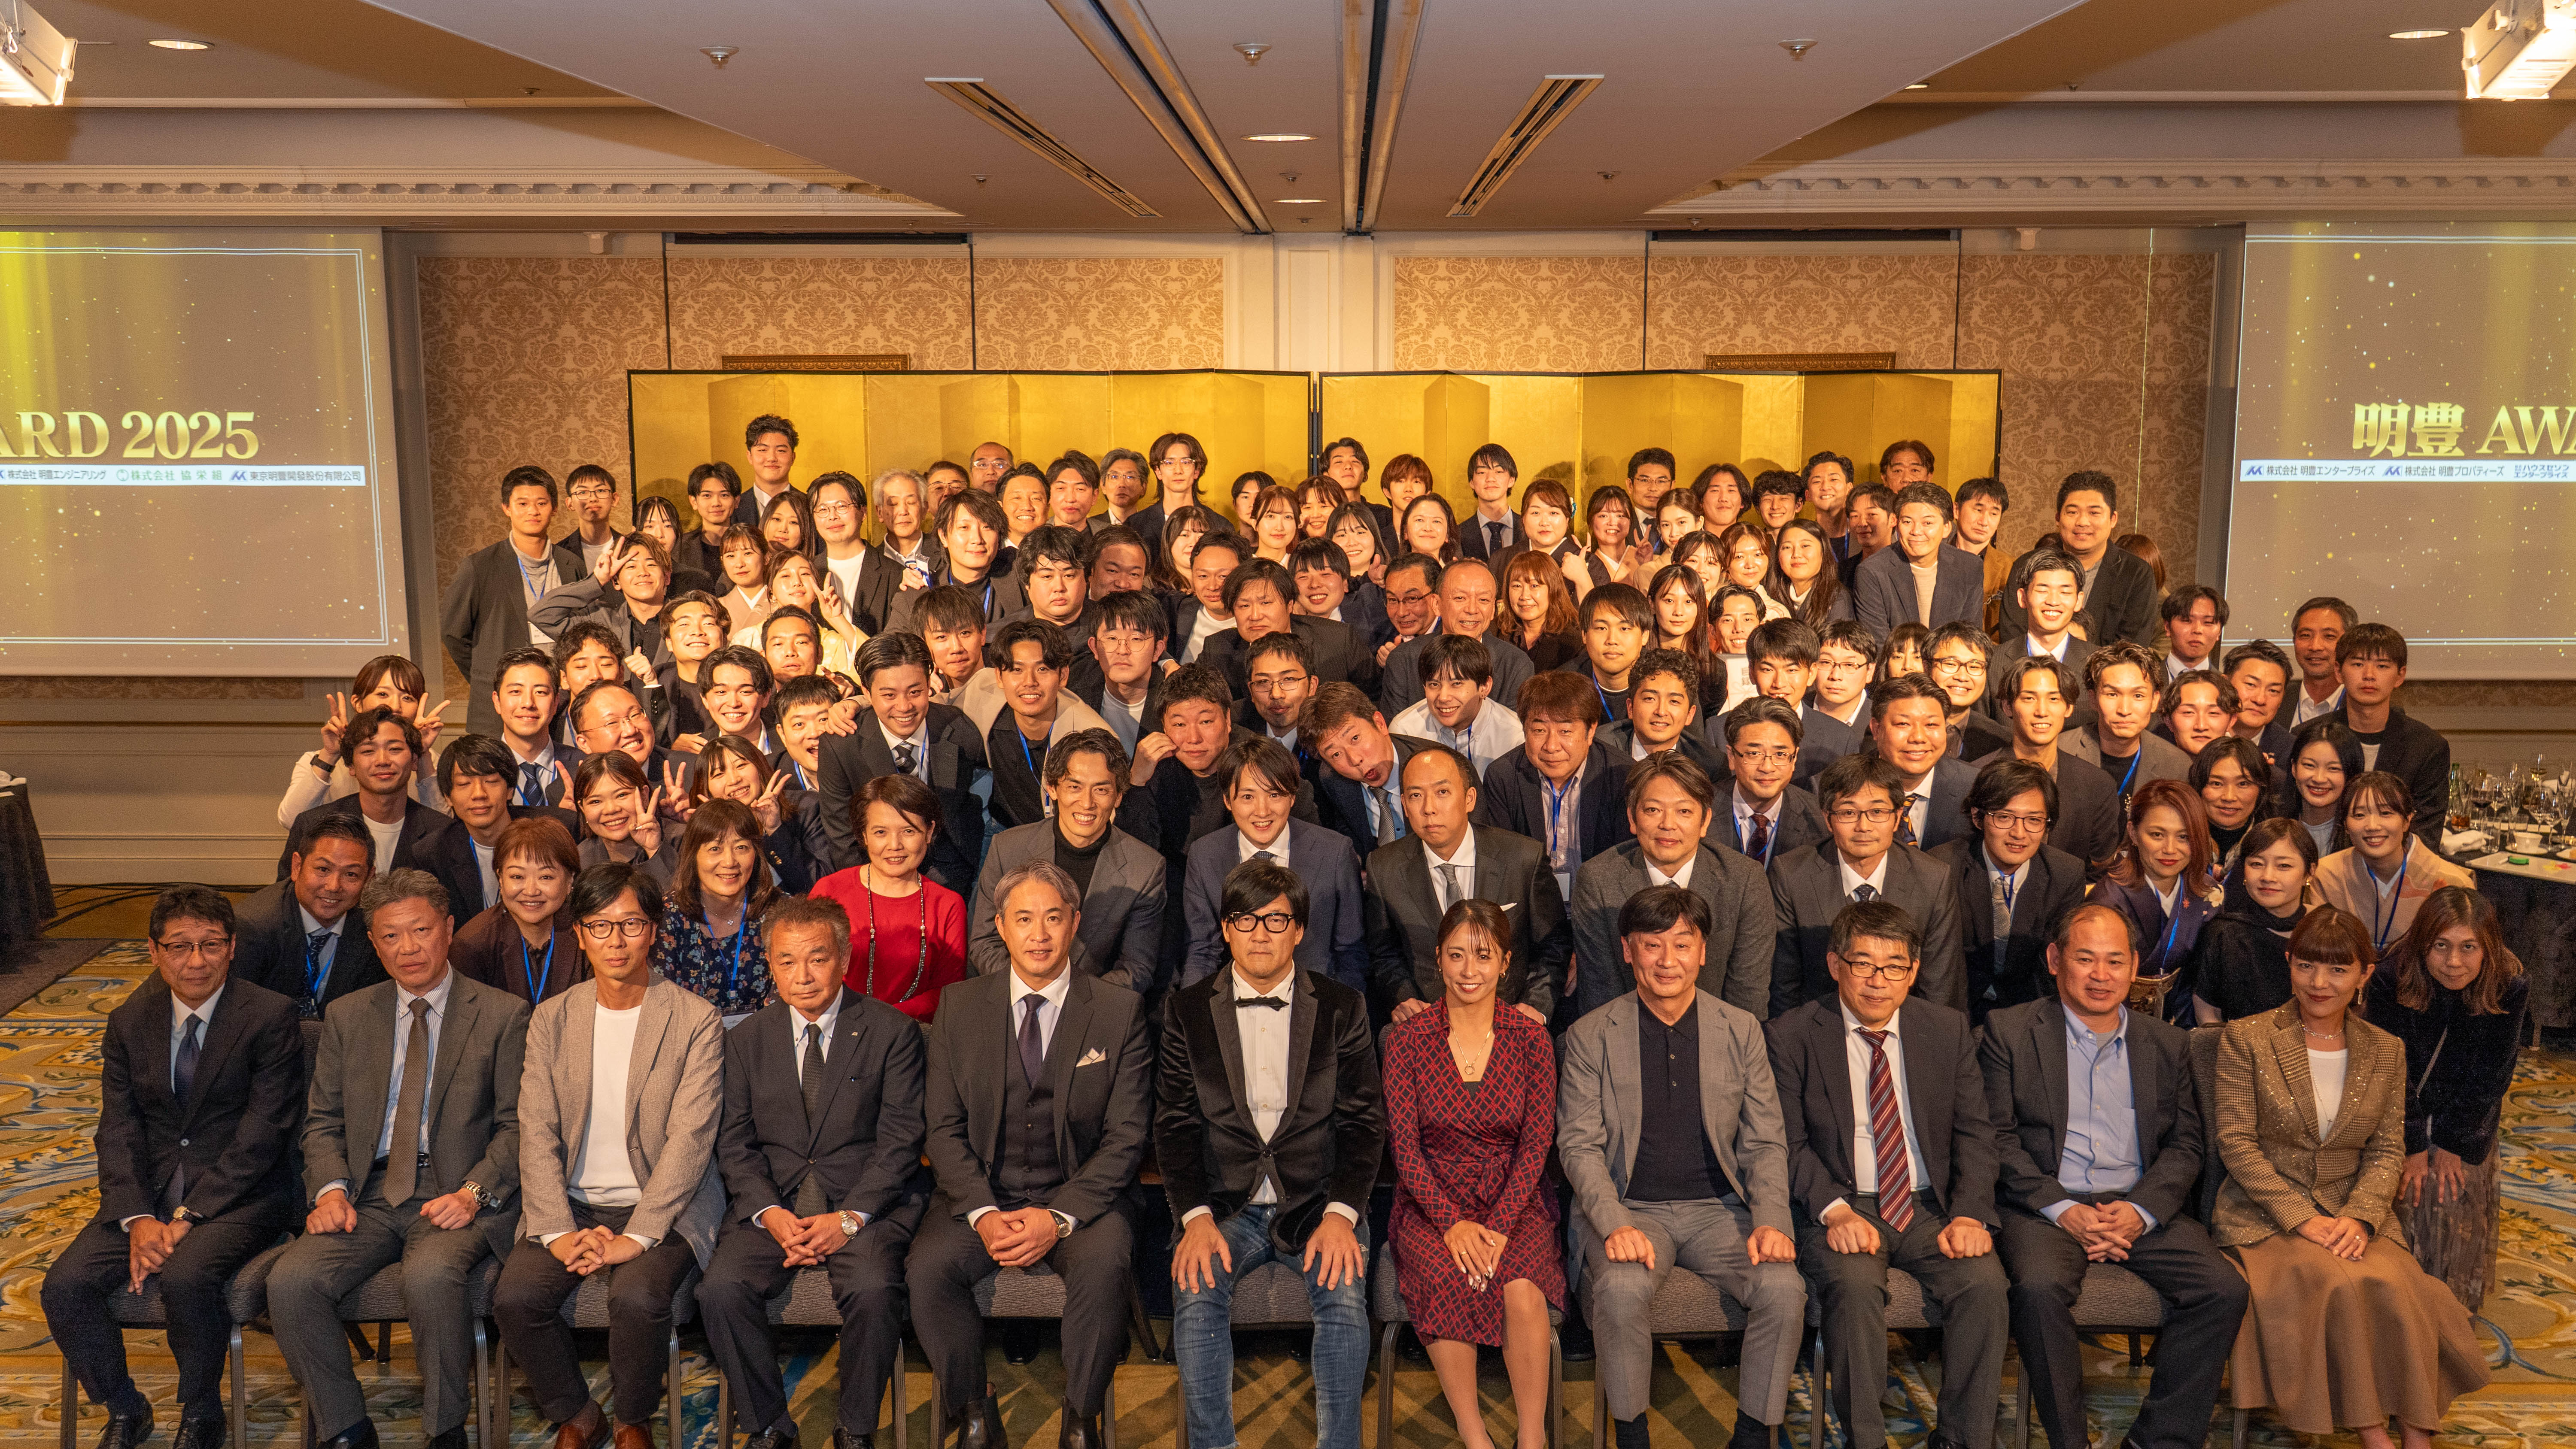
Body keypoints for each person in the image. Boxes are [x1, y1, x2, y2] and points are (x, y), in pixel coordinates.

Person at [2210, 907, 2490, 1447]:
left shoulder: (2385, 1050)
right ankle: (2373, 1434)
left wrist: (2360, 1217)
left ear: (2365, 974)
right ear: (2289, 963)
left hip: (2353, 1212)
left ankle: (2416, 1434)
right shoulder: (2247, 1038)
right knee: (2341, 1284)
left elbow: (2387, 1150)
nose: (2320, 982)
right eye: (2307, 965)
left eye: (2338, 970)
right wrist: (2303, 1219)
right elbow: (2237, 1145)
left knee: (2409, 1289)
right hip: (2265, 1215)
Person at [270, 869, 531, 1449]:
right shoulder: (348, 1015)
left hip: (456, 1192)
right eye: (391, 936)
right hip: (367, 1194)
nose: (408, 948)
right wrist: (330, 1190)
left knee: (431, 1275)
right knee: (291, 1281)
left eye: (421, 930)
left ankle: (445, 1430)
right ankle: (346, 1428)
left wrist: (474, 1194)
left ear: (449, 930)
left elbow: (519, 1126)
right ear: (373, 941)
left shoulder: (503, 1014)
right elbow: (323, 1120)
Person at [1978, 903, 2248, 1449]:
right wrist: (2065, 1210)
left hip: (2137, 1203)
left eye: (2115, 961)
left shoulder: (2167, 1042)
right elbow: (1997, 1139)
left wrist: (2140, 1211)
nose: (2101, 975)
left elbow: (2186, 1145)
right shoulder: (2009, 1031)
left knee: (2223, 1289)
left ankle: (2158, 1440)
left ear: (2134, 968)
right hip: (2046, 1207)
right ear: (2055, 960)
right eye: (2085, 959)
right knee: (2037, 1289)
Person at [43, 887, 303, 1449]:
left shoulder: (270, 1016)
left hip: (242, 1196)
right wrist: (138, 1217)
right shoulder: (129, 1021)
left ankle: (202, 1410)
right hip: (150, 1196)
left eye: (211, 945)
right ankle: (124, 1406)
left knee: (187, 1277)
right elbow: (117, 1129)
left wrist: (189, 1216)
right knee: (65, 1285)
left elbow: (263, 1133)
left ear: (232, 947)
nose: (196, 961)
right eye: (179, 946)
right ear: (154, 951)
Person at [909, 862, 1154, 1449]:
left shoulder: (1118, 1010)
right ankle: (973, 1409)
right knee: (927, 1269)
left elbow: (1127, 1136)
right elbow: (942, 1129)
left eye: (1052, 918)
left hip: (1083, 1198)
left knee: (1104, 1264)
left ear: (1075, 923)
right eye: (1023, 919)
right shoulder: (960, 1006)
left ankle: (1081, 1419)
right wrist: (983, 1212)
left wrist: (1059, 1217)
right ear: (1000, 927)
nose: (1039, 934)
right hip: (982, 1195)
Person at [1558, 883, 1804, 1449]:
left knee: (1783, 1287)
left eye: (1682, 944)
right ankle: (1632, 1435)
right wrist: (1614, 1224)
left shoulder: (1740, 1029)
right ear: (1628, 951)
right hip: (1632, 1209)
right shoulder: (1591, 1035)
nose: (1667, 960)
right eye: (1652, 945)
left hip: (1721, 1211)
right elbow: (1579, 1146)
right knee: (1620, 1288)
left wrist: (1771, 1220)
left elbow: (1765, 1141)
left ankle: (1752, 1434)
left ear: (1703, 951)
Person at [1765, 897, 2008, 1449]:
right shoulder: (1791, 1034)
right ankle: (1867, 1440)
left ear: (1914, 972)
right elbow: (1786, 1144)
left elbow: (1976, 1133)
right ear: (1836, 965)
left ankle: (1963, 1440)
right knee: (1853, 1287)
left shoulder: (1945, 1028)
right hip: (1843, 1202)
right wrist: (1835, 1211)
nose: (1879, 980)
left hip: (1927, 1206)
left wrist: (1971, 1213)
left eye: (1894, 966)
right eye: (1864, 964)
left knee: (1985, 1284)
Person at [1158, 858, 1383, 1449]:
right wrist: (1195, 1218)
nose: (1261, 933)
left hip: (1318, 1202)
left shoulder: (1343, 1006)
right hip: (1223, 1207)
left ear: (1299, 930)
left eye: (1276, 920)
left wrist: (1343, 1215)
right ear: (1226, 929)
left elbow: (1364, 1125)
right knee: (1196, 1291)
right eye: (1246, 919)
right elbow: (1175, 1127)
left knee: (1344, 1296)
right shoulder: (1186, 1011)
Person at [503, 862, 726, 1449]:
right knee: (516, 1298)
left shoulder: (695, 1019)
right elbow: (536, 1129)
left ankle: (632, 1417)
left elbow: (691, 1140)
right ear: (580, 934)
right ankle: (579, 1414)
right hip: (571, 1205)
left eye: (631, 924)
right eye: (600, 926)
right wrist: (557, 1231)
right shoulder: (553, 1018)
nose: (616, 940)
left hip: (664, 1204)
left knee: (636, 1296)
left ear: (654, 931)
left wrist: (640, 1235)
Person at [702, 895, 929, 1449]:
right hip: (775, 1205)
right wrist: (770, 1212)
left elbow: (901, 1142)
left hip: (864, 1205)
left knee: (874, 1290)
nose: (802, 975)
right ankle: (769, 1427)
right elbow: (735, 1144)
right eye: (787, 961)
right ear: (771, 964)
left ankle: (856, 1428)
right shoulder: (745, 1040)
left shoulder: (892, 1032)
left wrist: (849, 1218)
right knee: (720, 1290)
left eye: (817, 958)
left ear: (844, 959)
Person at [1383, 899, 1563, 1449]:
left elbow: (1536, 1144)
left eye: (1483, 956)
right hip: (1430, 1199)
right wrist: (1452, 1223)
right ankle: (1474, 1433)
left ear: (1505, 963)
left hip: (1516, 1197)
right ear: (1438, 957)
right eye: (1457, 955)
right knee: (1446, 1274)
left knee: (1522, 1287)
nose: (1469, 970)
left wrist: (1502, 1224)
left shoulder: (1531, 1038)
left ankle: (1532, 1437)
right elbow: (1405, 1149)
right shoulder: (1407, 1041)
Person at [2363, 886, 2529, 1310]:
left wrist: (2455, 1141)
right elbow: (2387, 1068)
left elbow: (2493, 1073)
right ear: (2423, 945)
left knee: (2452, 1194)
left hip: (2468, 1114)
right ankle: (2397, 1309)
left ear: (2487, 947)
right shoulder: (2391, 977)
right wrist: (2413, 1142)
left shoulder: (2509, 983)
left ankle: (2449, 1310)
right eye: (2441, 946)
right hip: (2398, 1107)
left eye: (2468, 947)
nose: (2454, 961)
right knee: (2409, 1194)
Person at [1368, 743, 1571, 1026]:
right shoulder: (1384, 867)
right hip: (1428, 1024)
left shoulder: (1522, 858)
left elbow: (1554, 945)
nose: (1429, 809)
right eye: (1416, 796)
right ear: (1404, 804)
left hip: (1509, 1021)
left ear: (1469, 799)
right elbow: (1384, 953)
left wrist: (1535, 1006)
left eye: (1442, 792)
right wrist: (1403, 998)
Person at [1569, 753, 1771, 1017]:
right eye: (1653, 810)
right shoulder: (1598, 879)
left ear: (1705, 821)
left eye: (1684, 811)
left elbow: (1748, 999)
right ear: (1632, 818)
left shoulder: (1744, 879)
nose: (1668, 824)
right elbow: (1601, 997)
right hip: (1626, 1031)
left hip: (1719, 1032)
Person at [967, 728, 1165, 994]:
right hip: (1014, 998)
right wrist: (1031, 991)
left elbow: (1136, 969)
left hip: (1092, 1006)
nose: (1087, 803)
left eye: (1101, 790)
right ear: (1053, 788)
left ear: (1118, 796)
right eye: (1074, 787)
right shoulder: (1008, 848)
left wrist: (1065, 1001)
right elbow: (984, 942)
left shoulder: (1145, 869)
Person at [1768, 754, 1965, 1015]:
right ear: (1828, 819)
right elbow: (1784, 984)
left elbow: (1939, 988)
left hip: (1903, 1023)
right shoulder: (1792, 874)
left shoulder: (1932, 878)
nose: (1864, 826)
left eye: (1877, 812)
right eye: (1849, 813)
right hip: (1818, 1021)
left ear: (1897, 817)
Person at [1180, 737, 1368, 994]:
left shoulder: (1335, 852)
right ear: (1228, 801)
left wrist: (1340, 1012)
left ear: (1292, 797)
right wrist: (1194, 1012)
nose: (1262, 811)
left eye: (1274, 795)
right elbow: (1202, 952)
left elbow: (1350, 952)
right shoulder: (1205, 855)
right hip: (1234, 1000)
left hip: (1317, 999)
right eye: (1248, 797)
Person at [817, 632, 991, 896]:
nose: (904, 706)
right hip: (878, 880)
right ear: (867, 692)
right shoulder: (842, 745)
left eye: (915, 692)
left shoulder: (958, 728)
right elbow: (843, 838)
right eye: (889, 695)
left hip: (955, 876)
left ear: (929, 684)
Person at [809, 774, 969, 1024]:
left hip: (913, 1032)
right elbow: (809, 970)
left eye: (908, 831)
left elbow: (948, 991)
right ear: (863, 835)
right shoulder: (830, 890)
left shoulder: (948, 905)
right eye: (881, 832)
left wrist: (886, 1021)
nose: (895, 845)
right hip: (836, 1025)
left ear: (929, 832)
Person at [1935, 758, 2085, 1020]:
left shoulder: (2065, 874)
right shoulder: (1943, 868)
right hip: (1957, 1009)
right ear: (1978, 818)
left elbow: (2051, 970)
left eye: (2034, 820)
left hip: (2028, 1014)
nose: (2019, 833)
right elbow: (1941, 967)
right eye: (2004, 817)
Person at [443, 466, 582, 738]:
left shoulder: (571, 564)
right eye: (523, 504)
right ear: (506, 508)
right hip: (502, 708)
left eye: (541, 503)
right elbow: (454, 634)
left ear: (554, 509)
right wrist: (492, 678)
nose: (533, 511)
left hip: (561, 700)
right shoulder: (480, 566)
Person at [1473, 670, 1632, 902]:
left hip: (1601, 905)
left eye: (1565, 731)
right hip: (1531, 906)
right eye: (1539, 731)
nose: (1551, 746)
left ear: (1590, 731)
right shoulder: (1504, 776)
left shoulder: (1621, 776)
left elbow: (1624, 866)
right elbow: (1503, 865)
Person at [1973, 657, 2124, 875]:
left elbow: (2100, 870)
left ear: (2069, 707)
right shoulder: (1976, 776)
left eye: (2054, 699)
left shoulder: (2097, 785)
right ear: (2007, 706)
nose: (2042, 711)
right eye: (2029, 698)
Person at [2093, 779, 2222, 1022]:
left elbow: (2204, 973)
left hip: (2183, 1015)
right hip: (2116, 1014)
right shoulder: (2109, 898)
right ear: (2133, 833)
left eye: (2184, 837)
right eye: (2157, 835)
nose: (2170, 849)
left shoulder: (2209, 893)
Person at [235, 812, 386, 1019]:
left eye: (351, 874)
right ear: (297, 867)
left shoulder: (375, 925)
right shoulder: (254, 927)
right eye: (323, 869)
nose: (334, 887)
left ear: (369, 879)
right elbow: (238, 1014)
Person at [425, 734, 582, 925]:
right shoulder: (433, 853)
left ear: (510, 790)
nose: (479, 794)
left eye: (491, 781)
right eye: (464, 784)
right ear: (448, 796)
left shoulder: (560, 828)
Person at [2315, 770, 2475, 955]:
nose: (2372, 826)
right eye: (2359, 815)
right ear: (2345, 825)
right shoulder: (2326, 875)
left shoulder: (2454, 882)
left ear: (2407, 820)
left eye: (2385, 813)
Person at [276, 655, 447, 826]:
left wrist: (421, 753)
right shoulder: (316, 760)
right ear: (358, 703)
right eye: (383, 694)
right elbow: (292, 822)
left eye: (407, 698)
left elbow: (442, 827)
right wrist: (330, 755)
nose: (395, 707)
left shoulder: (431, 761)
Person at [1994, 474, 2160, 648]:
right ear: (2058, 518)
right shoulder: (2027, 565)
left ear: (2113, 519)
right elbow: (2013, 637)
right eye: (2073, 512)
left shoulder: (2136, 573)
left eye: (2094, 513)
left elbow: (2131, 648)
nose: (2082, 522)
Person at [282, 707, 447, 881]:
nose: (383, 761)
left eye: (395, 749)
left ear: (414, 760)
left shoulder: (440, 830)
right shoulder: (312, 824)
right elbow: (287, 892)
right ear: (351, 766)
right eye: (368, 751)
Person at [654, 797, 778, 1022]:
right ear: (693, 855)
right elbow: (662, 1005)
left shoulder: (780, 912)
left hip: (765, 1038)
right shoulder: (668, 917)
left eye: (741, 847)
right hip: (690, 1039)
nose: (730, 862)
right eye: (715, 849)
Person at [2188, 817, 2320, 1021]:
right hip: (2232, 1041)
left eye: (2284, 866)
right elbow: (2208, 1015)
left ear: (2309, 872)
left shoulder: (2326, 929)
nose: (2268, 876)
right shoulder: (2223, 933)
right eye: (2257, 864)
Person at [2333, 624, 2450, 846]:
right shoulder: (2313, 737)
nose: (2369, 676)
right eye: (2358, 664)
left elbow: (2424, 836)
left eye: (2382, 666)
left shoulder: (2428, 747)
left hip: (2399, 865)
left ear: (2400, 676)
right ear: (2339, 672)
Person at [453, 815, 588, 1005]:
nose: (531, 891)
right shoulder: (472, 946)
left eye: (546, 877)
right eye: (517, 877)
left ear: (570, 880)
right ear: (501, 879)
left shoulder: (590, 932)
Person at [1379, 558, 1534, 714]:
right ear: (1437, 604)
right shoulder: (1404, 661)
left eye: (1483, 600)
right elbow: (1397, 729)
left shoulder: (1515, 665)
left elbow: (1515, 728)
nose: (1472, 610)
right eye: (1460, 598)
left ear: (1493, 609)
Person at [1305, 679, 1437, 862]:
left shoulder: (1436, 767)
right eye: (1336, 754)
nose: (1355, 759)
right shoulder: (1333, 780)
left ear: (1380, 723)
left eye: (1355, 738)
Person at [1201, 556, 1372, 697]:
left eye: (1266, 603)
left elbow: (1375, 698)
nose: (1255, 616)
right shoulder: (1217, 650)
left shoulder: (1338, 640)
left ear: (1290, 605)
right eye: (1244, 606)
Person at [531, 534, 677, 686]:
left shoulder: (687, 620)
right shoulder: (600, 621)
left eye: (651, 565)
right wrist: (598, 580)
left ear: (667, 577)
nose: (643, 573)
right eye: (631, 567)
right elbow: (542, 616)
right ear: (616, 581)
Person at [2062, 640, 2192, 805]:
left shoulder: (2176, 765)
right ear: (2093, 699)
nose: (2124, 710)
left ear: (2155, 701)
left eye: (2138, 696)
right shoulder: (2061, 751)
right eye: (2112, 695)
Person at [1862, 673, 1978, 854]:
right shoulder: (1841, 788)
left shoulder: (1975, 787)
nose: (1918, 737)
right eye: (1903, 724)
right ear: (1877, 729)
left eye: (1931, 725)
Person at [885, 490, 1024, 635]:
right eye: (964, 528)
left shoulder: (1021, 577)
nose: (977, 539)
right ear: (943, 536)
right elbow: (891, 647)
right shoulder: (917, 595)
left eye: (987, 527)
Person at [1853, 482, 1983, 636]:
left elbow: (1969, 637)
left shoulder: (1969, 567)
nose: (1916, 531)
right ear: (1897, 525)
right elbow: (1878, 642)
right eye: (1907, 522)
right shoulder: (1872, 572)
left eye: (1927, 523)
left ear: (1946, 528)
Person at [1713, 696, 1829, 864]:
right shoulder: (1702, 810)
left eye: (1780, 754)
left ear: (1794, 758)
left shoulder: (1820, 820)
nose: (1767, 767)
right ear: (1732, 757)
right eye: (1754, 754)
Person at [1391, 633, 1525, 776]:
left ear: (1485, 686)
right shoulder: (1404, 731)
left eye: (1456, 684)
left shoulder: (1515, 736)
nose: (1443, 697)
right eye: (1434, 685)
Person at [1600, 645, 1725, 780]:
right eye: (1650, 699)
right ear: (1630, 708)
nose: (1661, 711)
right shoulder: (1600, 752)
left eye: (1674, 701)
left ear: (1690, 714)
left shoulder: (1710, 766)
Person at [1078, 588, 1170, 754]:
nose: (1122, 650)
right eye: (1112, 638)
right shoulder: (1074, 690)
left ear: (1157, 650)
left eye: (1136, 639)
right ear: (1094, 648)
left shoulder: (1175, 701)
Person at [1571, 582, 1653, 724]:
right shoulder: (1564, 687)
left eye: (1624, 629)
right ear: (1584, 634)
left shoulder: (1669, 682)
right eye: (1602, 628)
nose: (1612, 640)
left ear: (1645, 636)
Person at [2281, 716, 2362, 858]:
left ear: (2351, 773)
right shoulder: (2270, 823)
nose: (2319, 779)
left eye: (2333, 769)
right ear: (2294, 768)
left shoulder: (2361, 834)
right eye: (2309, 765)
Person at [2191, 736, 2272, 876]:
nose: (2229, 797)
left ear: (2261, 789)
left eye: (2243, 784)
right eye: (2217, 784)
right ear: (2199, 786)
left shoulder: (2275, 844)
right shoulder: (2179, 842)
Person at [1497, 549, 1582, 672]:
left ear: (1554, 590)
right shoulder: (1496, 632)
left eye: (1534, 586)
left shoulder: (1574, 641)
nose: (1524, 596)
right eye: (1517, 586)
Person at [1771, 517, 1851, 631]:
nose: (1796, 554)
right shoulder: (1773, 597)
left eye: (1805, 546)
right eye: (1787, 547)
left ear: (1823, 552)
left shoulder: (1837, 600)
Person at [2289, 596, 2356, 727]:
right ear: (2294, 641)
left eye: (2329, 636)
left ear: (2349, 643)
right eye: (2306, 635)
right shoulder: (2276, 699)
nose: (2315, 647)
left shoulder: (2363, 707)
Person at [1455, 443, 1523, 561]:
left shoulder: (1528, 529)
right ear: (1472, 482)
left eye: (1499, 472)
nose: (1490, 479)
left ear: (1512, 480)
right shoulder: (1458, 534)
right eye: (1482, 473)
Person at [678, 462, 741, 584]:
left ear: (736, 501)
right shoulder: (680, 548)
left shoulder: (751, 544)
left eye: (724, 495)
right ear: (694, 502)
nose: (716, 503)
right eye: (707, 496)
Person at [2157, 670, 2238, 758]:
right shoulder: (2152, 764)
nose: (2201, 726)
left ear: (2232, 720)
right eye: (2188, 712)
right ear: (2168, 720)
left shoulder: (2244, 766)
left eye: (2213, 713)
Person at [2159, 584, 2227, 679]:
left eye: (2208, 622)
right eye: (2187, 621)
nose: (2197, 630)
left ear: (2219, 632)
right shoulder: (2146, 679)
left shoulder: (2225, 685)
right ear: (2167, 627)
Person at [741, 415, 799, 519]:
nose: (772, 458)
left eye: (781, 451)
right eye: (763, 450)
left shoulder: (809, 506)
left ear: (793, 458)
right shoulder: (734, 508)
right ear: (750, 457)